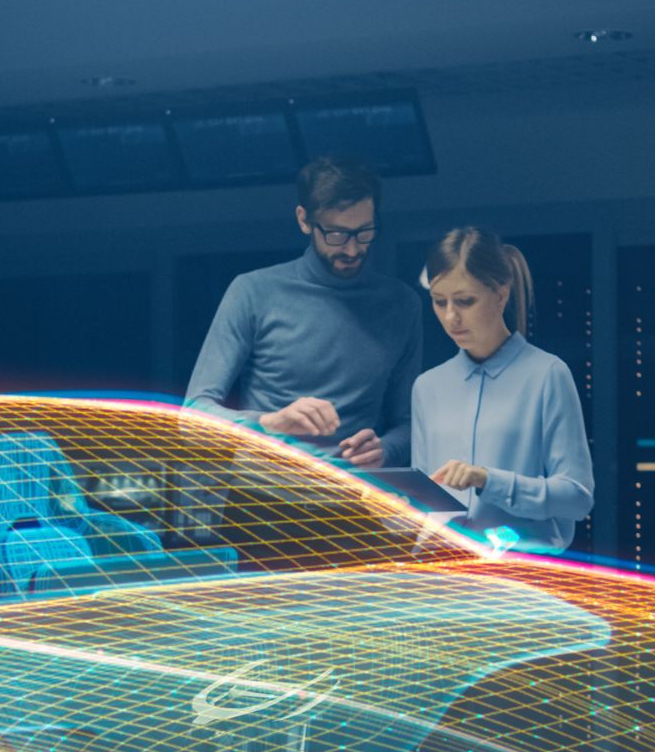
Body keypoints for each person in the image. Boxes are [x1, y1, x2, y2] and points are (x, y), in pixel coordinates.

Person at [186, 155, 424, 462]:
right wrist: (270, 423)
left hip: (358, 497)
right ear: (304, 220)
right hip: (262, 498)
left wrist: (385, 449)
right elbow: (192, 416)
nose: (352, 249)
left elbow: (407, 424)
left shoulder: (402, 305)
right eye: (337, 235)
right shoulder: (253, 291)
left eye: (364, 232)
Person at [389, 227, 593, 551]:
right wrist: (396, 508)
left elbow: (577, 498)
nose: (451, 317)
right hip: (449, 581)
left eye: (465, 301)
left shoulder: (547, 375)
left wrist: (488, 480)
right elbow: (430, 505)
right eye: (439, 302)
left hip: (523, 583)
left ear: (501, 294)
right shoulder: (427, 388)